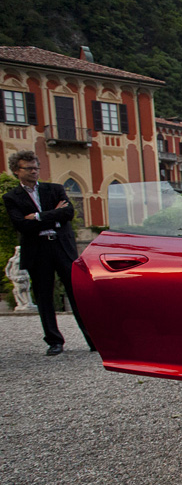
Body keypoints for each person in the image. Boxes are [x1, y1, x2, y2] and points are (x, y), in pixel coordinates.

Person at [3, 151, 94, 355]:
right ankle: (54, 341)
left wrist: (36, 216)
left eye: (36, 167)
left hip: (61, 247)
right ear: (17, 171)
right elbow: (21, 225)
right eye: (29, 168)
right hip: (38, 250)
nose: (34, 171)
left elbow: (68, 213)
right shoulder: (11, 197)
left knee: (77, 294)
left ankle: (92, 339)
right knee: (44, 297)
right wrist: (54, 215)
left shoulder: (54, 189)